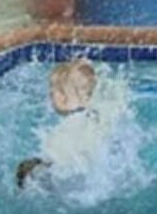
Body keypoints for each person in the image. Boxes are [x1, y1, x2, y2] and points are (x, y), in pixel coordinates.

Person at [15, 59, 99, 189]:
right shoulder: (92, 118)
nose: (50, 98)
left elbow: (53, 165)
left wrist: (27, 169)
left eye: (52, 93)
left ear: (62, 97)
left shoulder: (62, 132)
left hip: (69, 185)